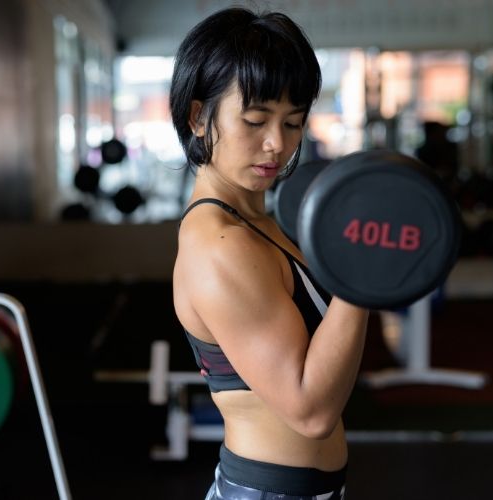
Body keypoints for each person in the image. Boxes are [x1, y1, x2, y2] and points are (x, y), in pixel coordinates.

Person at [170, 8, 369, 499]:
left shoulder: (259, 222)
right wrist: (362, 274)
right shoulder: (221, 244)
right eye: (255, 120)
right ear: (199, 117)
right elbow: (310, 410)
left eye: (293, 122)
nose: (276, 144)